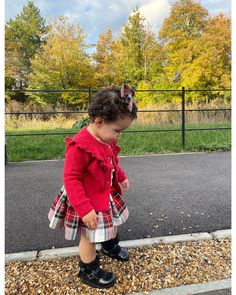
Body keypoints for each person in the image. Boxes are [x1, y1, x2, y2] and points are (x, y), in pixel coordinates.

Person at [48, 84, 138, 289]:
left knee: (113, 223)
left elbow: (113, 160)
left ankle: (109, 245)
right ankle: (88, 270)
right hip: (86, 201)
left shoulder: (107, 139)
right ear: (99, 121)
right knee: (89, 238)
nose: (119, 136)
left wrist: (121, 176)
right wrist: (84, 210)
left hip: (105, 194)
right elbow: (71, 179)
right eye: (117, 130)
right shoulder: (79, 146)